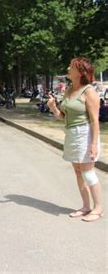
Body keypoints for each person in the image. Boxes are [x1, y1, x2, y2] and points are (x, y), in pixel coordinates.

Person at [47, 57, 103, 222]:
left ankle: (98, 208)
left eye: (71, 67)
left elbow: (94, 120)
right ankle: (86, 206)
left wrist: (93, 144)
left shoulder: (89, 91)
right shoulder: (69, 89)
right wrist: (53, 108)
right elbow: (63, 117)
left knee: (88, 172)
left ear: (80, 72)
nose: (68, 68)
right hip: (71, 133)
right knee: (78, 172)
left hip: (85, 134)